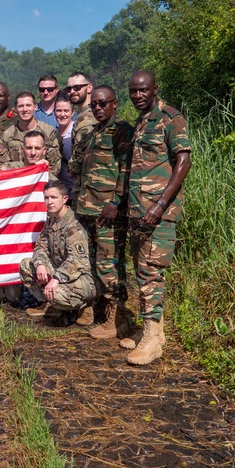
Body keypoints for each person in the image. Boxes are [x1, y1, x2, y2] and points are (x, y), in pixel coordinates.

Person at [123, 70, 191, 366]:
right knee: (142, 269)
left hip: (158, 212)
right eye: (133, 91)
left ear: (155, 89)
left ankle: (151, 340)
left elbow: (184, 161)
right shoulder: (141, 122)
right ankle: (156, 331)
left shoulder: (170, 118)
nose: (138, 95)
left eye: (143, 90)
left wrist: (160, 204)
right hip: (139, 211)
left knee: (151, 271)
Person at [70, 85, 134, 340]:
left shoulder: (122, 131)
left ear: (114, 104)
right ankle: (103, 312)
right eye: (94, 104)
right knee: (96, 261)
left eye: (103, 103)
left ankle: (118, 319)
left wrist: (116, 202)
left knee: (110, 263)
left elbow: (127, 170)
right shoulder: (95, 132)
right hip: (90, 210)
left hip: (108, 211)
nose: (98, 108)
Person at [18, 180, 96, 324]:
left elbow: (78, 261)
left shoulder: (73, 224)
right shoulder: (52, 220)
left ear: (65, 199)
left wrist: (56, 279)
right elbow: (40, 246)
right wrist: (41, 264)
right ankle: (53, 306)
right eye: (46, 198)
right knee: (26, 266)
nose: (49, 202)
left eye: (54, 197)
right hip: (60, 270)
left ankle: (86, 306)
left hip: (82, 277)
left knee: (56, 293)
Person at [0, 91, 61, 178]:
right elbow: (2, 169)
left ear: (35, 107)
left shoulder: (48, 132)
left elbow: (54, 168)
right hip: (17, 185)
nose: (25, 109)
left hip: (43, 184)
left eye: (28, 105)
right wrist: (30, 168)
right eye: (21, 106)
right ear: (15, 109)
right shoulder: (7, 136)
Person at [67, 71, 97, 198]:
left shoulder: (89, 118)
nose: (72, 91)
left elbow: (81, 159)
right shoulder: (81, 116)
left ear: (89, 88)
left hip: (88, 190)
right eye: (69, 89)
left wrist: (70, 168)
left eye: (77, 88)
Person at [53, 92, 75, 190]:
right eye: (58, 111)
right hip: (57, 191)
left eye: (66, 111)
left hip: (74, 191)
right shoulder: (52, 134)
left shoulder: (78, 133)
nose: (62, 114)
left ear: (72, 112)